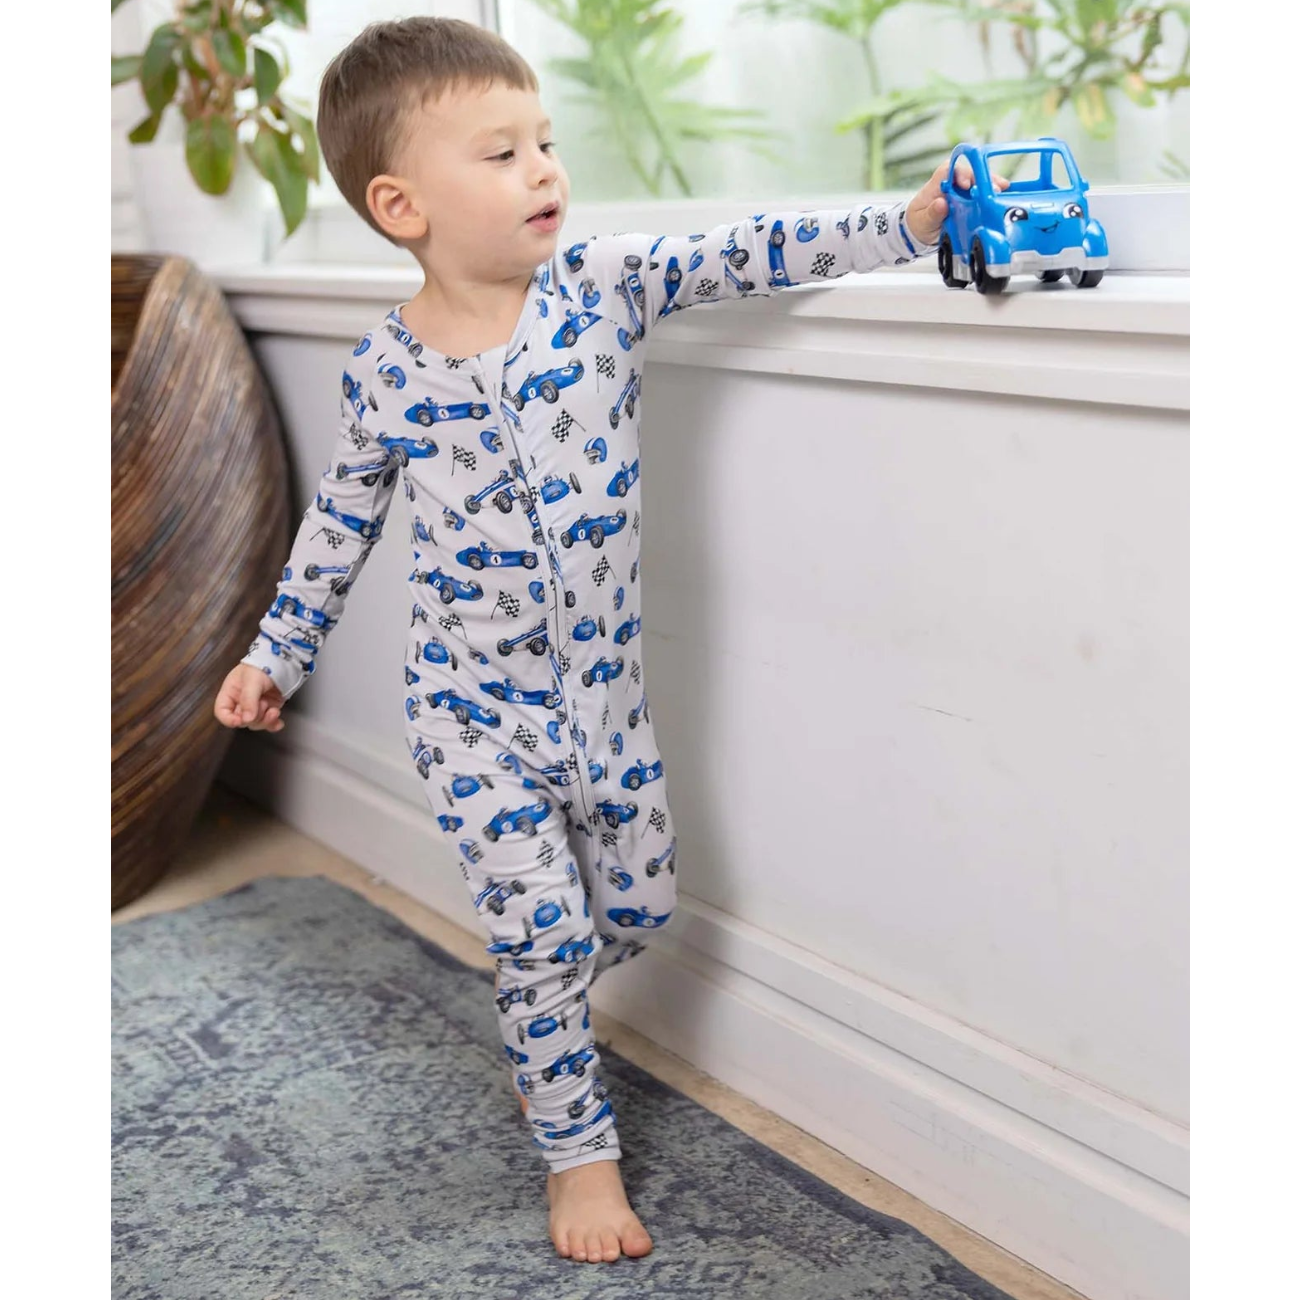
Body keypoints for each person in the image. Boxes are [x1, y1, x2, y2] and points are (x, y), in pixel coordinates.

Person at [213, 14, 1003, 1266]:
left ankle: (549, 1011)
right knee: (536, 933)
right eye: (501, 152)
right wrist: (276, 654)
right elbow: (335, 531)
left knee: (631, 912)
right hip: (468, 711)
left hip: (603, 712)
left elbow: (752, 248)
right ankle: (576, 1151)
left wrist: (904, 228)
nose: (544, 170)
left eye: (545, 141)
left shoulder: (602, 290)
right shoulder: (385, 374)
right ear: (400, 203)